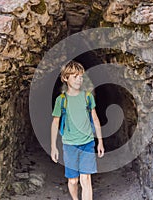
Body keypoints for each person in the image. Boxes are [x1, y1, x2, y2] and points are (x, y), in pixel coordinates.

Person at [51, 61, 105, 200]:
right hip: (70, 145)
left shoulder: (87, 97)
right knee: (73, 180)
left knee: (86, 179)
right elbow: (55, 123)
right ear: (65, 78)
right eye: (75, 76)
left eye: (80, 76)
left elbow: (95, 119)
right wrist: (53, 147)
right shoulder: (61, 100)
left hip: (87, 143)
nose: (79, 79)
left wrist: (100, 141)